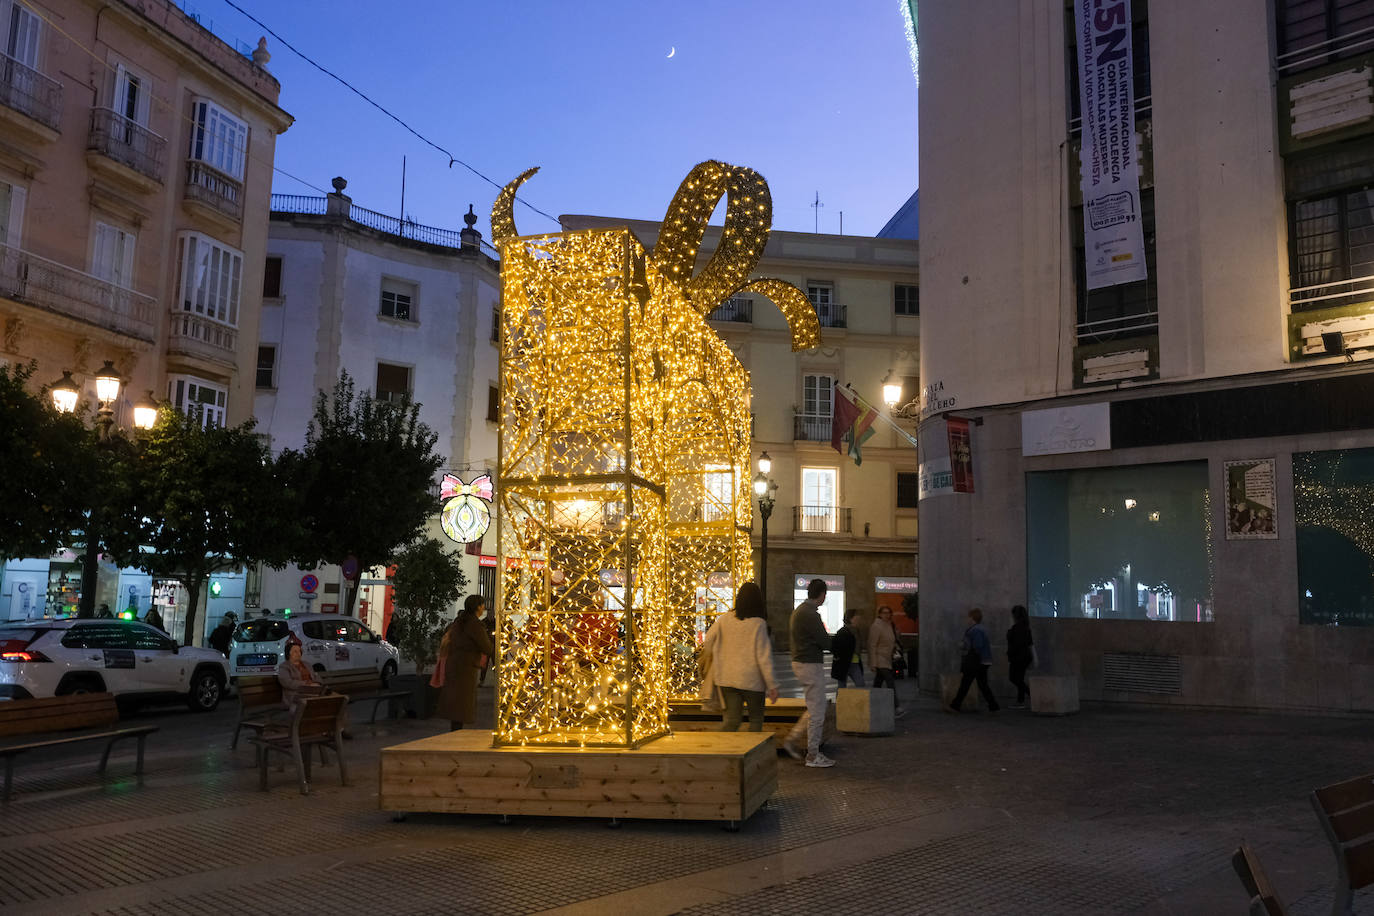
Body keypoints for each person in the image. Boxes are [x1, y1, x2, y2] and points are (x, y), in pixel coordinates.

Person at [701, 582, 779, 732]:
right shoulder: (759, 624)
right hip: (752, 681)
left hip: (726, 678)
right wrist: (772, 685)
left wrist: (719, 655)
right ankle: (753, 747)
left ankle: (720, 745)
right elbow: (764, 658)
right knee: (755, 721)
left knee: (732, 721)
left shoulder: (724, 619)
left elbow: (708, 640)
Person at [784, 578, 836, 768]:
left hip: (802, 662)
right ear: (822, 594)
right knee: (818, 712)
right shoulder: (810, 614)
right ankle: (813, 755)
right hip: (810, 664)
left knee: (814, 707)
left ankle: (792, 740)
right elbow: (825, 641)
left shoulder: (800, 611)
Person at [434, 595, 496, 731]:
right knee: (462, 703)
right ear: (478, 607)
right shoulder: (475, 625)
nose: (484, 608)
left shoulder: (459, 622)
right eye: (482, 605)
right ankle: (456, 732)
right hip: (466, 667)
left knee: (456, 702)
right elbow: (486, 647)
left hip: (454, 664)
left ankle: (455, 729)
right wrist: (491, 642)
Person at [948, 607, 1000, 713]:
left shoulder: (975, 630)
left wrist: (963, 646)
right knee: (982, 685)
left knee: (965, 684)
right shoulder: (980, 629)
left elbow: (977, 646)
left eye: (968, 617)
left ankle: (955, 706)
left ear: (972, 618)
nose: (967, 619)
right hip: (983, 661)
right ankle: (993, 706)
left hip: (975, 662)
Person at [868, 606, 904, 717]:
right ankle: (896, 706)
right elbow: (872, 645)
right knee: (890, 681)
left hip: (887, 658)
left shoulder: (889, 625)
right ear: (880, 614)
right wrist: (873, 663)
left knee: (878, 683)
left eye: (888, 613)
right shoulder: (876, 626)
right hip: (880, 658)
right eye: (884, 613)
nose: (887, 615)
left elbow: (893, 641)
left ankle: (872, 703)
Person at [277, 638, 326, 712]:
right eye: (295, 651)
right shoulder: (284, 667)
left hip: (312, 691)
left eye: (299, 651)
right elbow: (287, 683)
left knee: (332, 698)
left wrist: (318, 683)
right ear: (288, 653)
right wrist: (307, 684)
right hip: (295, 695)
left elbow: (315, 675)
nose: (298, 653)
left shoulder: (307, 664)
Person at [1006, 604, 1034, 709]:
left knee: (1014, 678)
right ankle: (1020, 700)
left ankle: (1030, 694)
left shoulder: (1017, 628)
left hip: (1018, 657)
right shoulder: (1025, 627)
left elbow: (1015, 643)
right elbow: (1029, 642)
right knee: (1019, 678)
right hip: (1024, 657)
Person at [830, 609, 865, 687]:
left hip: (855, 662)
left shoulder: (857, 631)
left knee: (860, 684)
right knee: (842, 687)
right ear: (850, 619)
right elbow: (835, 647)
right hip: (843, 663)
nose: (859, 619)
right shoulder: (843, 632)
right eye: (856, 617)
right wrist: (838, 656)